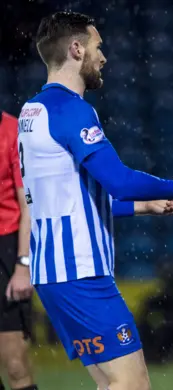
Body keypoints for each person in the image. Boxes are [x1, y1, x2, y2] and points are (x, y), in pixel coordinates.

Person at [19, 12, 173, 390]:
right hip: (81, 274)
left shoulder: (32, 112)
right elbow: (120, 182)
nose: (104, 57)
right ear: (76, 48)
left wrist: (145, 206)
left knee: (112, 384)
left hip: (54, 273)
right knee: (132, 385)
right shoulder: (71, 110)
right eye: (98, 47)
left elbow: (69, 201)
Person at [0, 111, 38, 390]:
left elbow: (28, 206)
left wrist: (23, 265)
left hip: (7, 249)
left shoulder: (13, 131)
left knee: (15, 365)